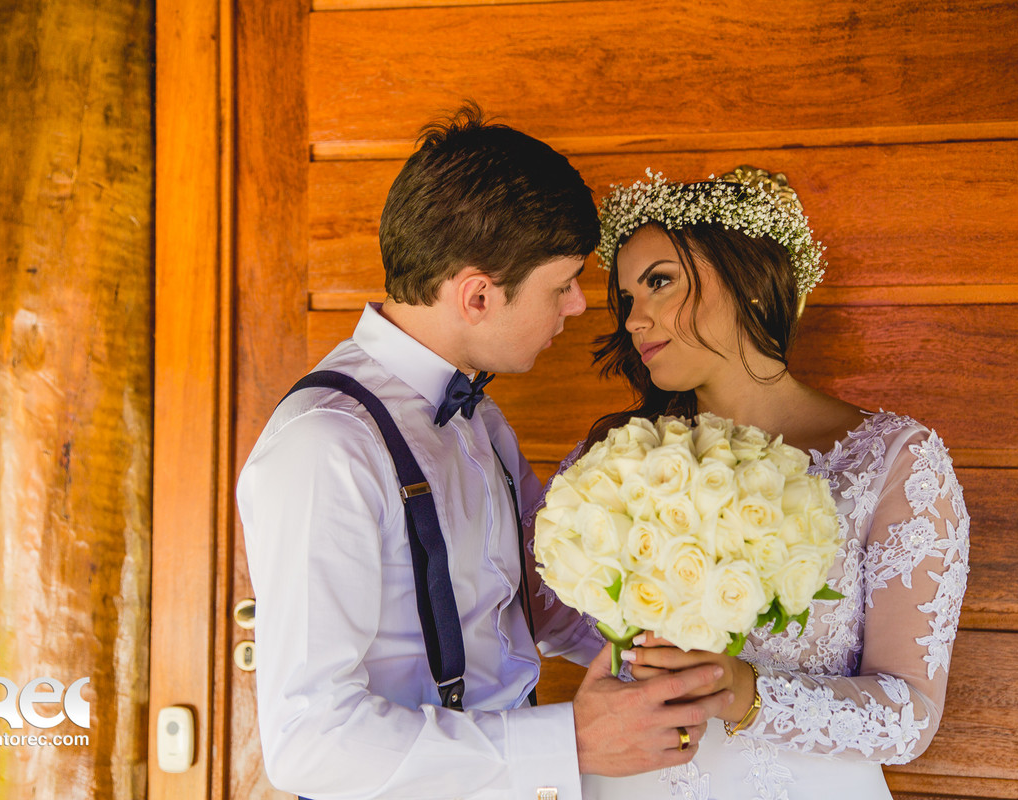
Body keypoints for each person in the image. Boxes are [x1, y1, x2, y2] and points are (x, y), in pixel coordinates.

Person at [236, 107, 734, 800]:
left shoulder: (481, 418)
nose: (580, 307)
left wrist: (679, 654)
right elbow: (310, 743)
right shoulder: (327, 447)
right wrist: (570, 744)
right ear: (478, 295)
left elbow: (546, 601)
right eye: (562, 284)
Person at [552, 166, 970, 798]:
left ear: (746, 277)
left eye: (659, 283)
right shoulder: (616, 465)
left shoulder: (890, 464)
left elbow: (909, 713)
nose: (635, 320)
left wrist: (750, 694)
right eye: (628, 300)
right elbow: (546, 621)